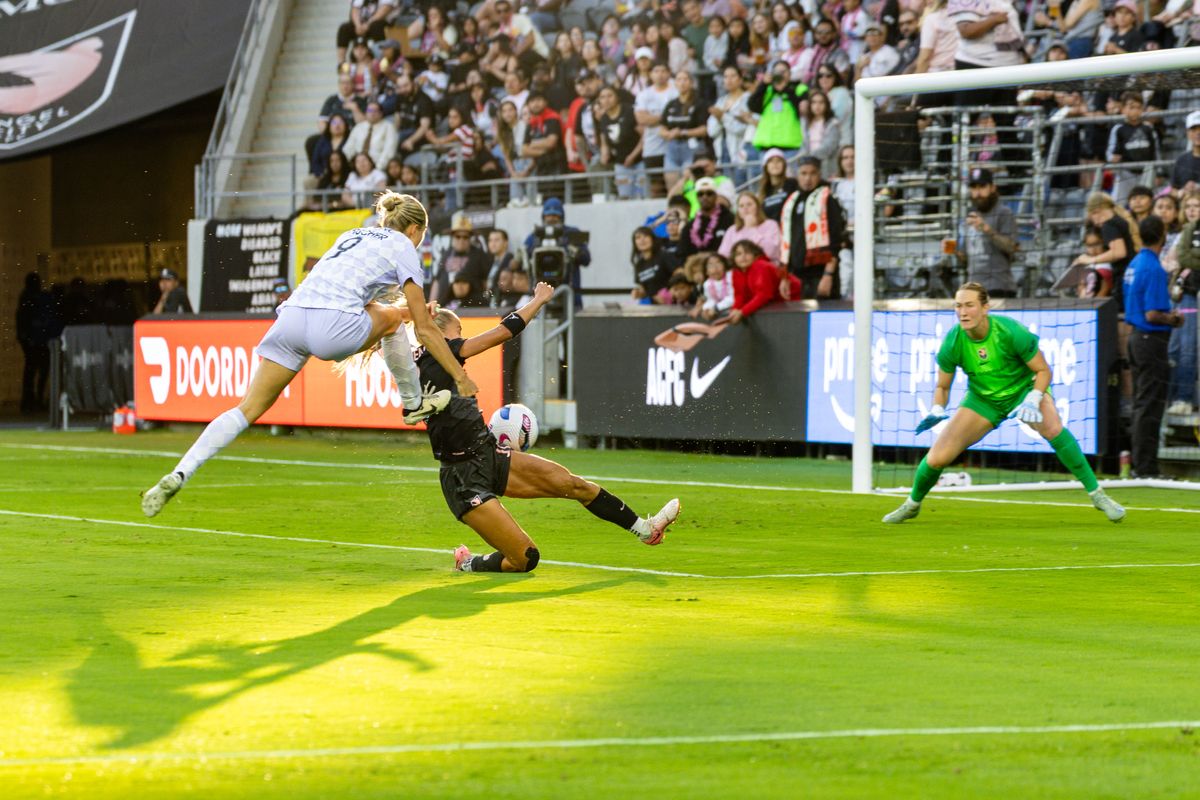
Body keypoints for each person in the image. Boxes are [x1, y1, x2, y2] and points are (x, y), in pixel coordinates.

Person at [141, 193, 475, 518]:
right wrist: (460, 377)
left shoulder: (353, 235)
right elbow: (425, 327)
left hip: (291, 318)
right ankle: (413, 403)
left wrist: (401, 312)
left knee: (247, 409)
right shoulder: (404, 246)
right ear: (416, 230)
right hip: (331, 325)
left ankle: (181, 472)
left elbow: (367, 299)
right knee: (393, 322)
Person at [408, 289, 681, 572]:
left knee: (576, 486)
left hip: (488, 452)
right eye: (458, 329)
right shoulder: (444, 352)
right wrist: (538, 300)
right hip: (462, 478)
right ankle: (468, 563)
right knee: (525, 558)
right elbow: (504, 331)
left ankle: (645, 529)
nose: (462, 335)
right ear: (440, 333)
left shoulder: (419, 362)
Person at [883, 282, 1126, 524]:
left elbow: (1043, 371)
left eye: (969, 305)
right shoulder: (953, 341)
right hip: (983, 399)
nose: (963, 312)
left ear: (985, 307)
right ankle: (912, 504)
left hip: (1024, 391)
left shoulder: (1010, 331)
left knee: (1053, 428)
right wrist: (937, 408)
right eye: (958, 306)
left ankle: (1098, 495)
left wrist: (1034, 398)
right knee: (937, 458)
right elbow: (943, 387)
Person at [1123, 216, 1185, 478]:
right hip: (1151, 340)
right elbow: (1152, 314)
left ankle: (1139, 464)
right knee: (1150, 405)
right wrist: (1174, 318)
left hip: (1135, 339)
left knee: (1140, 403)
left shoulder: (1135, 264)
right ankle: (1146, 468)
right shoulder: (1154, 269)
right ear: (1162, 235)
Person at [781, 157, 846, 299]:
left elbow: (836, 240)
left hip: (821, 274)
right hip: (797, 274)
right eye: (803, 173)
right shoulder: (792, 201)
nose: (808, 178)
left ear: (819, 174)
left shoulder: (828, 200)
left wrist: (828, 275)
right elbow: (787, 241)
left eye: (812, 173)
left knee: (824, 318)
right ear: (797, 175)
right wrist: (785, 276)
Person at [961, 168, 1019, 297]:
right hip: (974, 291)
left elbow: (1011, 247)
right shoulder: (970, 217)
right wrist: (954, 251)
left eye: (982, 186)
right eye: (974, 187)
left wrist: (987, 229)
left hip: (999, 288)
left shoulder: (1004, 213)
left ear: (993, 188)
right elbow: (966, 260)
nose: (978, 192)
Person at [1168, 192, 1200, 414]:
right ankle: (1177, 398)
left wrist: (1187, 256)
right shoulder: (1181, 234)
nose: (1191, 210)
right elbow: (1171, 261)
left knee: (1190, 348)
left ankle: (1185, 399)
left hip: (1194, 294)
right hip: (1184, 295)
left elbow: (1184, 258)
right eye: (1188, 205)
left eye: (1196, 205)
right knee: (1176, 349)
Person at [727, 239, 800, 324]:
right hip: (776, 307)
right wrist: (734, 310)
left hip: (793, 304)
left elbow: (764, 295)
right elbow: (740, 295)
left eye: (747, 253)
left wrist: (742, 312)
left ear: (755, 254)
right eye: (738, 254)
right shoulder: (737, 272)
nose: (743, 257)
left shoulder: (761, 266)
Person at [747, 59, 808, 159]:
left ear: (790, 74)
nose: (780, 75)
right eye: (777, 72)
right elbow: (752, 106)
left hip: (790, 145)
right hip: (766, 145)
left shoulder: (799, 88)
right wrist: (763, 84)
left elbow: (801, 109)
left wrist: (785, 89)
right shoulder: (768, 90)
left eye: (783, 72)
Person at [1106, 92, 1159, 205]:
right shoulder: (1118, 129)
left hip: (1146, 172)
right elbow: (1110, 153)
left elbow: (1156, 151)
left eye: (1138, 107)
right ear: (1123, 109)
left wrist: (1158, 172)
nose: (1135, 111)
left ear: (1142, 109)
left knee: (1147, 203)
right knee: (1117, 205)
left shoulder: (1148, 128)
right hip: (1125, 173)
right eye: (1131, 107)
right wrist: (1113, 159)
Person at [430, 216, 491, 307]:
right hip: (444, 305)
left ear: (470, 238)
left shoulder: (479, 255)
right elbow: (437, 281)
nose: (461, 240)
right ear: (452, 237)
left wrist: (487, 302)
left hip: (471, 306)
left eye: (465, 237)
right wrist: (431, 303)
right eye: (458, 236)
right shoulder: (446, 254)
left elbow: (485, 282)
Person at [16, 272, 54, 414]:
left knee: (34, 371)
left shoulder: (29, 297)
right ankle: (33, 400)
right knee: (35, 371)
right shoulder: (29, 298)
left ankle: (32, 400)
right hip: (35, 339)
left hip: (35, 339)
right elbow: (23, 318)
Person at [719, 191, 781, 263]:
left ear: (757, 207)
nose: (745, 208)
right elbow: (723, 256)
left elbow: (771, 252)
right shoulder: (732, 230)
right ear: (738, 211)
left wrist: (751, 229)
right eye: (741, 206)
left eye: (749, 204)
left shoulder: (770, 224)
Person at [684, 177, 736, 257]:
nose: (704, 197)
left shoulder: (730, 219)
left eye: (709, 193)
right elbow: (683, 252)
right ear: (697, 198)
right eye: (700, 194)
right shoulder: (690, 225)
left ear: (716, 196)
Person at [631, 225, 674, 303]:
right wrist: (638, 293)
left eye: (646, 236)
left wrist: (670, 293)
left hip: (672, 304)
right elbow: (643, 289)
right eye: (638, 238)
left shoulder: (664, 255)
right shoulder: (639, 265)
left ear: (653, 239)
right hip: (652, 306)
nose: (642, 240)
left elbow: (679, 274)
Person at [757, 147, 799, 222]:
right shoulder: (764, 190)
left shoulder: (793, 184)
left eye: (779, 161)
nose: (775, 164)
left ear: (784, 165)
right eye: (771, 161)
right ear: (766, 166)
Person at [699, 252, 735, 321]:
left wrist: (716, 308)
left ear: (725, 266)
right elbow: (712, 299)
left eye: (718, 263)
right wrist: (706, 308)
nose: (715, 268)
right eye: (710, 265)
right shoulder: (707, 284)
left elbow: (733, 298)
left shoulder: (731, 277)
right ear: (706, 271)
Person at [1171, 111, 1200, 193]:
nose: (1198, 133)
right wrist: (1183, 191)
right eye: (1194, 129)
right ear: (1188, 133)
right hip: (1186, 204)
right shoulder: (1181, 160)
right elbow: (1174, 189)